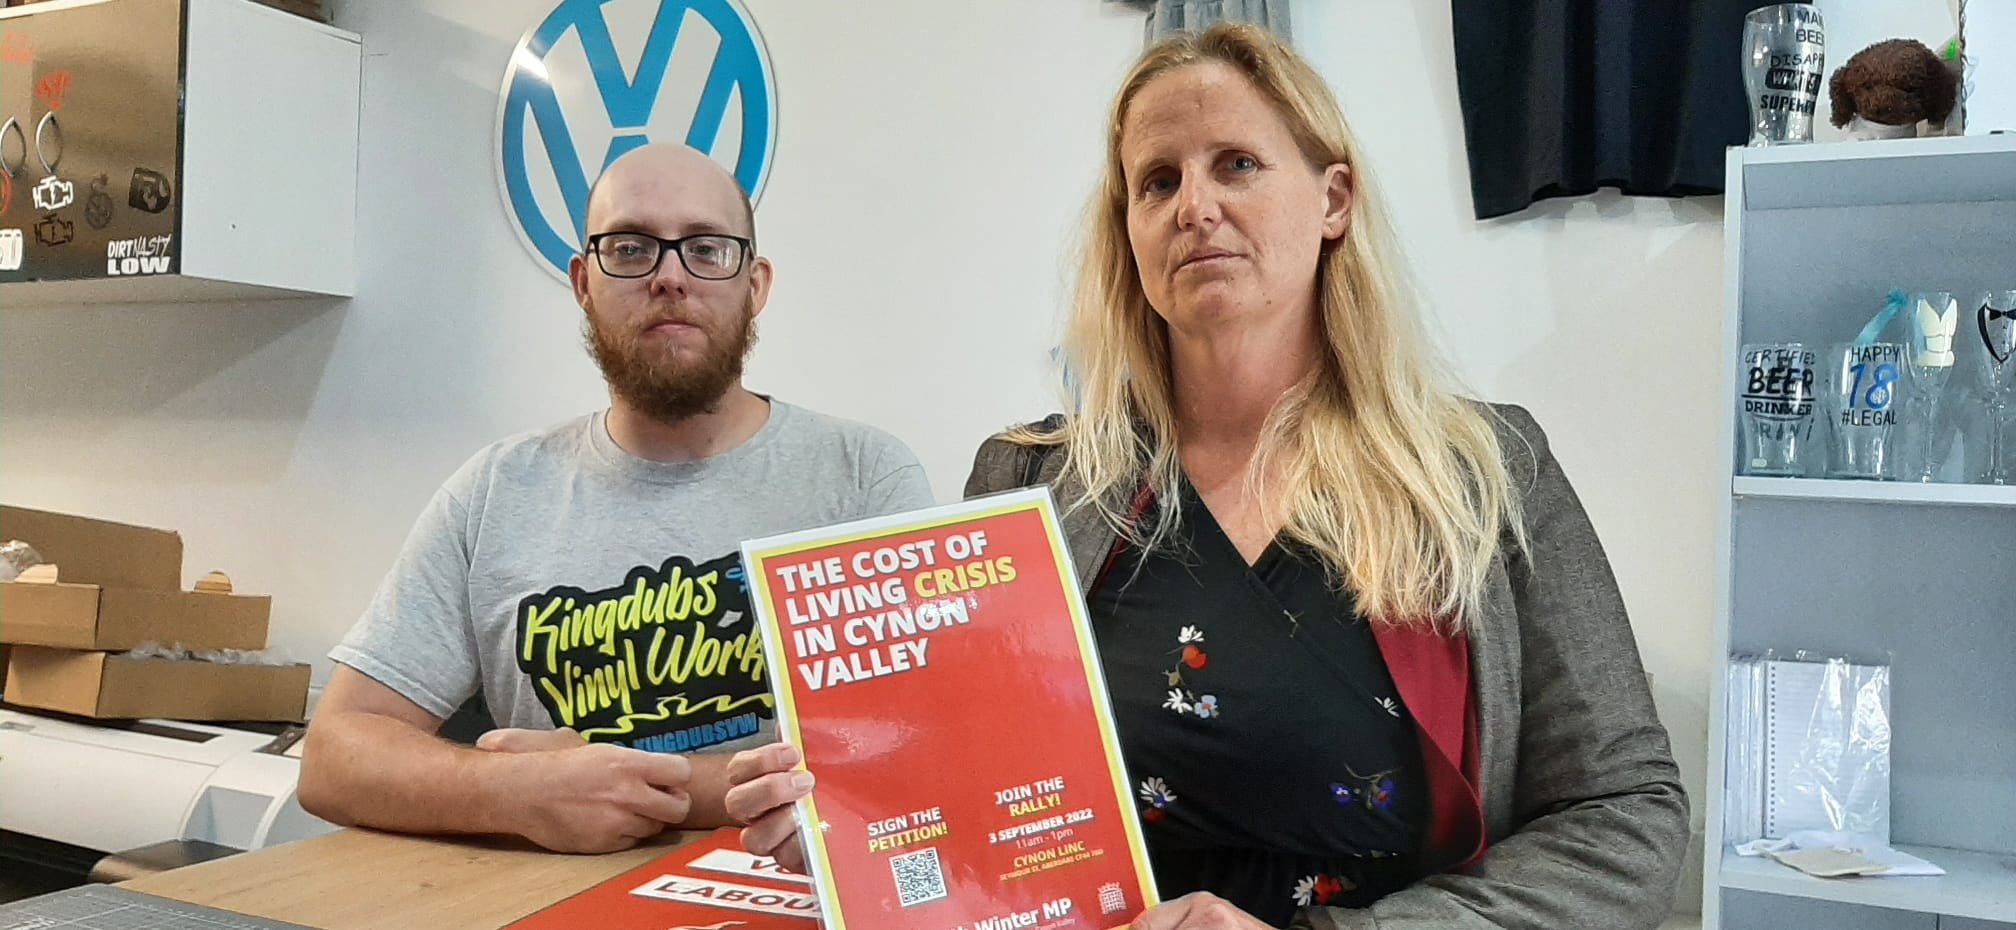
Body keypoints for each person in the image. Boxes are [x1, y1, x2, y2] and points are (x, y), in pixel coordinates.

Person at [722, 24, 1687, 929]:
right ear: (1129, 234)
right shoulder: (1032, 482)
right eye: (1155, 181)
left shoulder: (1488, 474)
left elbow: (1628, 819)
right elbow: (975, 817)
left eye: (1238, 165)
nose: (1195, 206)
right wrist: (857, 831)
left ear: (1334, 202)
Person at [298, 143, 935, 854]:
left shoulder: (865, 482)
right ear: (583, 282)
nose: (668, 276)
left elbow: (922, 753)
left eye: (706, 247)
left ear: (754, 284)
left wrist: (670, 790)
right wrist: (508, 790)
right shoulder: (494, 492)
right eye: (631, 248)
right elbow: (334, 757)